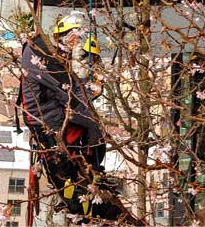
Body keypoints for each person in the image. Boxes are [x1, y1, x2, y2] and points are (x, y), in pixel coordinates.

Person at [20, 13, 129, 222]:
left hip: (55, 124)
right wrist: (95, 127)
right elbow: (75, 101)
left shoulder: (47, 56)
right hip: (51, 128)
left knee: (86, 159)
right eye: (75, 39)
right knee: (71, 186)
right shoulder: (46, 61)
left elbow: (73, 96)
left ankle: (94, 197)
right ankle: (94, 208)